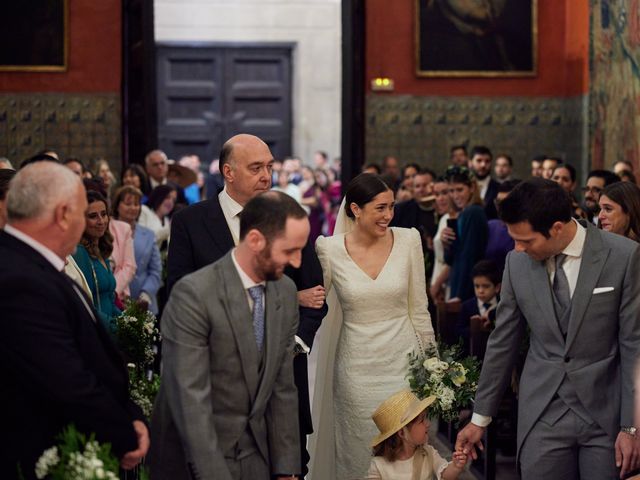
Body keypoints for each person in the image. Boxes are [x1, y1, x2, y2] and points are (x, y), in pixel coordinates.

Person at [456, 178, 640, 479]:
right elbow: (503, 343)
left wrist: (632, 426)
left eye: (526, 241)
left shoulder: (624, 255)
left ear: (556, 228)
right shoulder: (516, 263)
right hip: (543, 412)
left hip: (606, 416)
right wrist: (479, 418)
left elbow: (635, 344)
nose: (517, 248)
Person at [167, 133, 327, 477]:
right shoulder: (190, 223)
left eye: (269, 167)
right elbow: (178, 297)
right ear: (228, 172)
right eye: (256, 168)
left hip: (278, 397)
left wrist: (292, 342)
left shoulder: (285, 217)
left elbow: (314, 292)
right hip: (216, 402)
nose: (266, 176)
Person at [0, 162, 148, 479]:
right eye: (83, 214)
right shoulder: (19, 278)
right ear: (63, 215)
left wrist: (131, 412)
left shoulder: (39, 266)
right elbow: (64, 375)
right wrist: (124, 433)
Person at [149, 191, 307, 480]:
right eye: (289, 251)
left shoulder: (285, 292)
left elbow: (283, 388)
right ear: (256, 240)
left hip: (256, 457)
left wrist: (286, 469)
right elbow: (190, 400)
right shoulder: (194, 294)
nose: (297, 262)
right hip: (193, 460)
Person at [310, 173, 436, 480]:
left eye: (392, 207)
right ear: (355, 209)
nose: (389, 215)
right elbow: (315, 302)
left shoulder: (409, 239)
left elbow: (419, 308)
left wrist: (433, 363)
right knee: (358, 452)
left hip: (404, 365)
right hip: (356, 369)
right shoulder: (328, 249)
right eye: (380, 208)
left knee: (406, 452)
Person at [366, 390, 468, 480]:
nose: (428, 424)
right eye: (422, 420)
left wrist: (455, 466)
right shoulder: (378, 466)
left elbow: (445, 475)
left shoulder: (428, 453)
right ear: (402, 433)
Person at [72, 190, 121, 331]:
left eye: (104, 214)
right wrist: (114, 329)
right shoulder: (80, 252)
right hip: (97, 331)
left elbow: (109, 299)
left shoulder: (101, 249)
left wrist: (128, 324)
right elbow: (86, 304)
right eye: (93, 216)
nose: (101, 221)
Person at [112, 186, 162, 314]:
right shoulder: (108, 232)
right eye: (128, 203)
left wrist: (145, 294)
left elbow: (156, 270)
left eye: (136, 204)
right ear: (117, 205)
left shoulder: (149, 235)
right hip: (115, 299)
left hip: (144, 304)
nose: (133, 208)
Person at [444, 166, 489, 301]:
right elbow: (451, 258)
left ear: (471, 188)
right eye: (451, 191)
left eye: (459, 189)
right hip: (458, 280)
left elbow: (470, 255)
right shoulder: (462, 214)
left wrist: (460, 294)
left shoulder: (473, 212)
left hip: (466, 286)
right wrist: (445, 241)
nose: (455, 195)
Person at [455, 260, 501, 354]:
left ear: (497, 287)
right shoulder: (467, 307)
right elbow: (458, 331)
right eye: (477, 286)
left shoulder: (502, 305)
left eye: (486, 286)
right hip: (474, 355)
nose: (480, 291)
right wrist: (474, 328)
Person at [484, 180, 517, 272]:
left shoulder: (530, 231)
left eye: (506, 202)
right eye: (498, 202)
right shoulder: (491, 226)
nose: (501, 207)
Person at [468, 145, 499, 219]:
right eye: (479, 160)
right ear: (470, 163)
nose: (483, 165)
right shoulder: (463, 187)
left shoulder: (498, 188)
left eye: (487, 161)